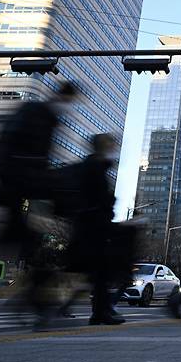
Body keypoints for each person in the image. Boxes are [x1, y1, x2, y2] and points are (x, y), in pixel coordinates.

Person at [0, 82, 77, 327]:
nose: (70, 107)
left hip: (18, 186)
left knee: (22, 244)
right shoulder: (38, 114)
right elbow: (27, 154)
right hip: (16, 185)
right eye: (71, 102)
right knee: (24, 245)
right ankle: (35, 305)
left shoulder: (41, 115)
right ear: (64, 97)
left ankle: (31, 304)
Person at [70, 134, 124, 325]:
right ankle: (99, 311)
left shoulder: (96, 166)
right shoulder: (94, 166)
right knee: (98, 271)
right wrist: (109, 203)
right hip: (93, 224)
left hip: (94, 223)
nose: (114, 146)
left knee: (98, 272)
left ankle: (100, 311)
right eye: (111, 143)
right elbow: (97, 197)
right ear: (103, 146)